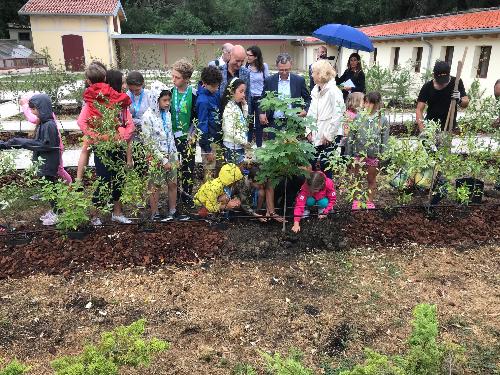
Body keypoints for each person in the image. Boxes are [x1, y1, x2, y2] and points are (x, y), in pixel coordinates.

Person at [78, 69, 135, 224]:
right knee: (103, 180)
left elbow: (129, 125)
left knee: (119, 180)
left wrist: (122, 134)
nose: (124, 85)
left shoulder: (120, 101)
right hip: (102, 147)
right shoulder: (94, 101)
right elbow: (82, 122)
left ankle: (117, 212)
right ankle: (95, 216)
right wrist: (97, 137)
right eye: (122, 82)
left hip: (118, 145)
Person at [0, 94, 61, 225]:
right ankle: (56, 210)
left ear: (42, 108)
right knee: (48, 187)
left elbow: (47, 145)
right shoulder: (43, 123)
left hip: (49, 161)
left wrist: (23, 142)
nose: (32, 112)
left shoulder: (49, 125)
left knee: (50, 187)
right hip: (44, 160)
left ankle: (58, 213)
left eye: (34, 109)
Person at [141, 84, 188, 221]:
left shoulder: (167, 114)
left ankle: (172, 210)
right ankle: (155, 213)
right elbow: (149, 142)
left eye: (169, 100)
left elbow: (170, 136)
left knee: (173, 183)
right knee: (155, 185)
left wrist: (175, 156)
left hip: (170, 154)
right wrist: (163, 160)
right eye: (164, 100)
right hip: (156, 156)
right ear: (155, 100)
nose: (167, 103)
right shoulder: (147, 117)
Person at [345, 91, 389, 210]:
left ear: (377, 104)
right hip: (358, 154)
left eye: (371, 103)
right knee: (357, 178)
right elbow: (351, 137)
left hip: (373, 156)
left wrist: (383, 157)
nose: (368, 105)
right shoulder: (358, 117)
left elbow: (384, 140)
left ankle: (369, 201)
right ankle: (356, 201)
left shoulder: (383, 119)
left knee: (371, 179)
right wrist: (348, 155)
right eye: (366, 102)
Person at [19, 93, 72, 185]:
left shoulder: (47, 116)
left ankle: (71, 184)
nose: (32, 111)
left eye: (33, 108)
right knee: (44, 168)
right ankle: (47, 189)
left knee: (58, 169)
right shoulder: (44, 113)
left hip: (54, 146)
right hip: (48, 146)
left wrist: (24, 105)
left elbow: (32, 119)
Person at [307, 59, 345, 176]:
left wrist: (329, 134)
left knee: (326, 164)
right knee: (310, 161)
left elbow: (338, 114)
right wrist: (308, 130)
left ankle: (328, 192)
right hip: (317, 130)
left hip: (330, 132)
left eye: (313, 72)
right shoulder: (315, 90)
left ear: (320, 73)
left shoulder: (334, 91)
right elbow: (311, 112)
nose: (312, 75)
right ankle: (313, 190)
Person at [259, 53, 310, 138]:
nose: (284, 72)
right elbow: (263, 99)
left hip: (293, 121)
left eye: (287, 69)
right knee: (274, 148)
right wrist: (261, 113)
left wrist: (305, 110)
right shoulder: (269, 80)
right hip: (274, 121)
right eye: (281, 70)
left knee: (292, 149)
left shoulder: (299, 80)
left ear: (291, 66)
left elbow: (308, 99)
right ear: (277, 66)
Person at [170, 59, 197, 203]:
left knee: (188, 166)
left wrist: (191, 136)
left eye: (177, 77)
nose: (173, 80)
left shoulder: (194, 94)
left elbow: (196, 118)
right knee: (175, 166)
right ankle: (175, 193)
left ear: (186, 79)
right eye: (173, 76)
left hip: (188, 138)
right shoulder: (169, 93)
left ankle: (186, 194)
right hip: (172, 137)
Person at [416, 60, 469, 132]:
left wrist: (459, 100)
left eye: (444, 80)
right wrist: (423, 130)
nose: (442, 83)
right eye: (440, 80)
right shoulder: (427, 87)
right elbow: (419, 110)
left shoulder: (456, 82)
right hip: (431, 126)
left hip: (449, 127)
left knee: (445, 143)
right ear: (433, 75)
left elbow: (465, 104)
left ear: (448, 74)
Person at [76, 62, 107, 181]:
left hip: (92, 129)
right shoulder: (103, 92)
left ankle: (78, 180)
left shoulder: (89, 91)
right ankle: (80, 180)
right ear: (105, 78)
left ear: (88, 81)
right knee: (89, 151)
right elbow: (81, 121)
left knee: (86, 150)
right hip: (99, 131)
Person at [196, 65, 223, 181]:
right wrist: (207, 150)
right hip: (208, 142)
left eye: (218, 85)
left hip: (219, 139)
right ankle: (207, 198)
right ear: (205, 83)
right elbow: (202, 126)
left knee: (220, 173)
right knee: (209, 174)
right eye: (213, 86)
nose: (216, 88)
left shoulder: (215, 94)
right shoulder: (202, 100)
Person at [245, 45, 270, 147]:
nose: (247, 57)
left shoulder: (264, 67)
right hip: (249, 98)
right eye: (247, 55)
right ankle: (248, 145)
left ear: (256, 56)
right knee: (249, 123)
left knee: (259, 124)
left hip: (260, 97)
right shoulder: (245, 68)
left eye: (249, 55)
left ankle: (259, 147)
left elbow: (267, 82)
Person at [221, 78, 249, 165]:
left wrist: (245, 106)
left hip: (237, 144)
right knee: (235, 173)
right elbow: (230, 131)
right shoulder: (229, 108)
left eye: (244, 92)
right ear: (232, 91)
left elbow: (243, 120)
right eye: (241, 92)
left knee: (237, 173)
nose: (243, 95)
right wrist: (244, 142)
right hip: (232, 147)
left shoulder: (235, 105)